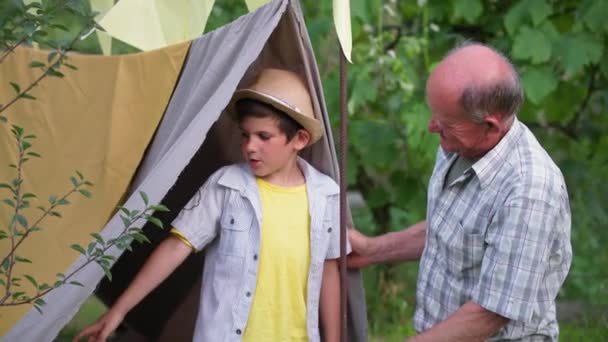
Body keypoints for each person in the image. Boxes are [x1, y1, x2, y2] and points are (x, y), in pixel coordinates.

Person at [75, 68, 346, 342]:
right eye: (245, 135)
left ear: (299, 139)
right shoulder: (226, 186)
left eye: (263, 137)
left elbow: (329, 270)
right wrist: (118, 311)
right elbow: (175, 248)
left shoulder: (326, 195)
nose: (250, 146)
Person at [348, 43, 572, 341]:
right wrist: (372, 250)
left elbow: (490, 314)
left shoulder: (529, 191)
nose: (431, 127)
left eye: (444, 124)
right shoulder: (462, 142)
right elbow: (453, 229)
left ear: (490, 125)